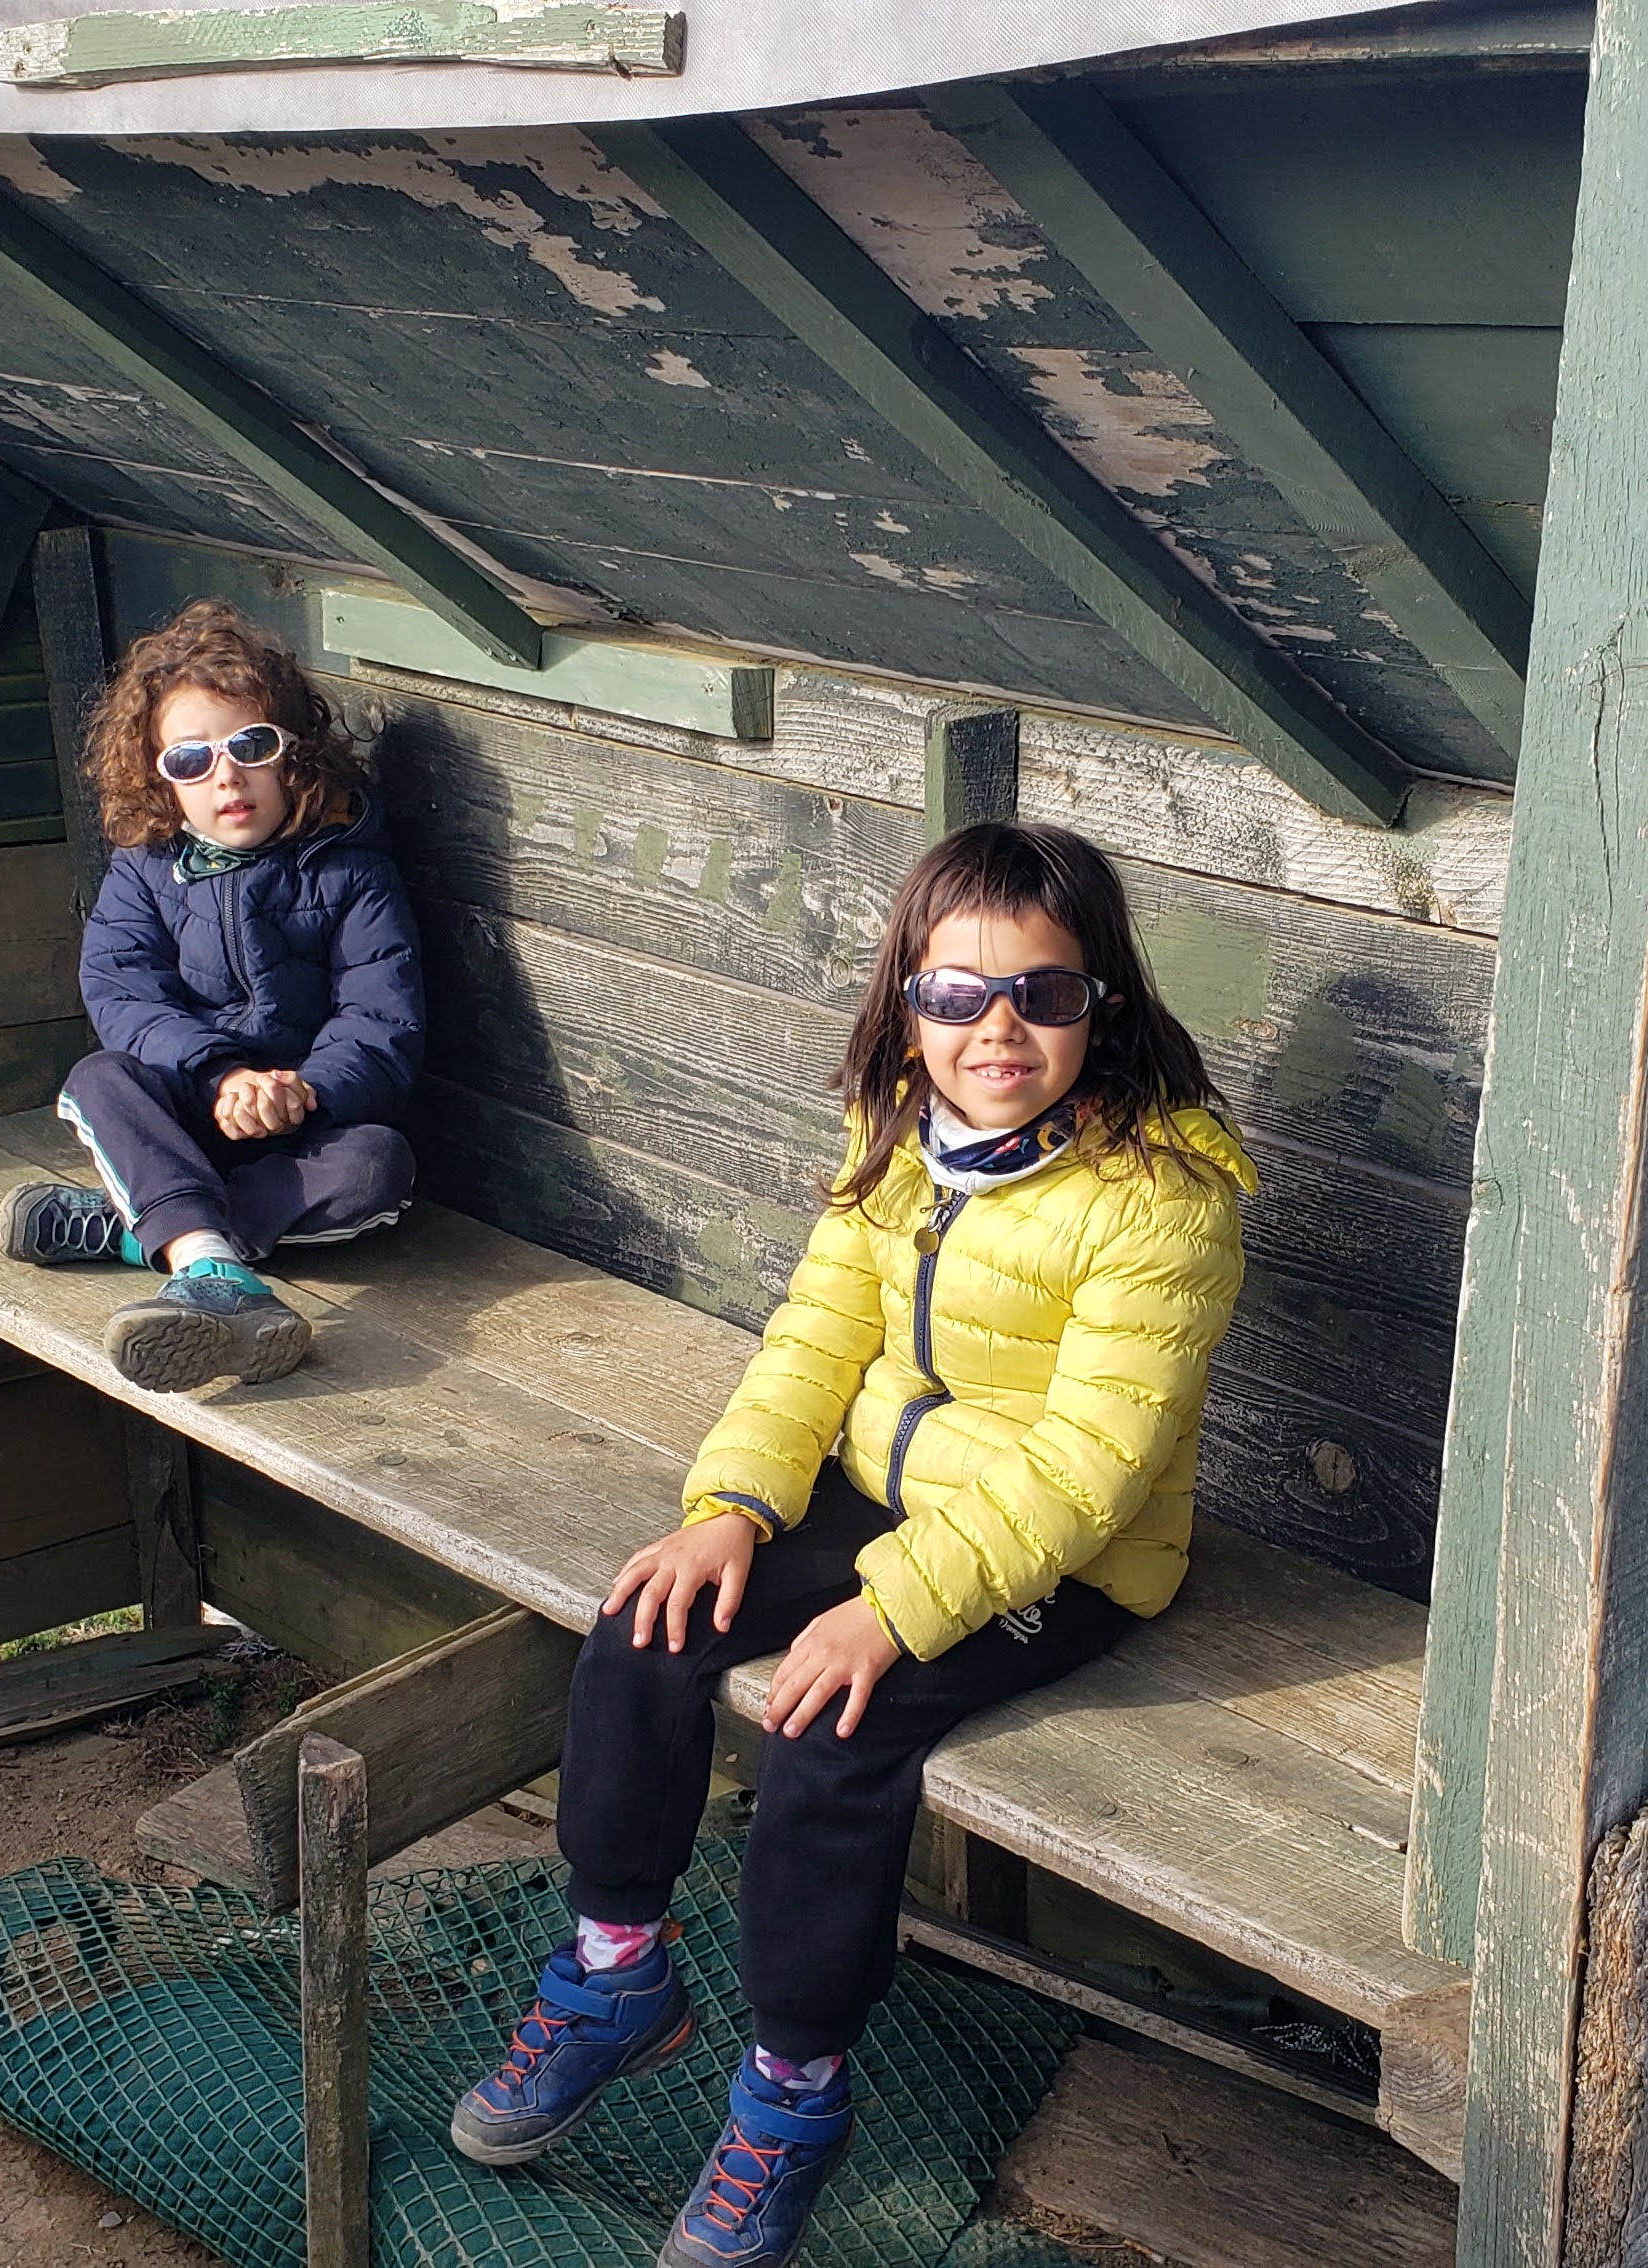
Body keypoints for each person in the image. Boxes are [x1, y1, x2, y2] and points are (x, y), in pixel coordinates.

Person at [450, 821, 1252, 2268]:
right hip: (889, 1492)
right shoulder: (896, 1133)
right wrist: (733, 1510)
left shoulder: (1159, 1196)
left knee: (833, 1727)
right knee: (648, 1620)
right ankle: (618, 1972)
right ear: (907, 1000)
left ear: (1105, 1004)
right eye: (957, 994)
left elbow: (1091, 1468)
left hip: (1068, 1556)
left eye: (1043, 994)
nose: (997, 1030)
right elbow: (815, 1341)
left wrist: (887, 1612)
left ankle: (792, 2092)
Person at [0, 599, 422, 1391]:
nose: (226, 775)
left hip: (298, 1131)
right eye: (190, 760)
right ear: (158, 778)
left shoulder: (352, 871)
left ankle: (155, 1236)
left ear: (294, 753)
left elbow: (380, 1021)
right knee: (98, 1079)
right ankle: (217, 1273)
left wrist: (298, 1092)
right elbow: (122, 992)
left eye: (250, 746)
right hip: (184, 1110)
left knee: (378, 1169)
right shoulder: (145, 868)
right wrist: (219, 1076)